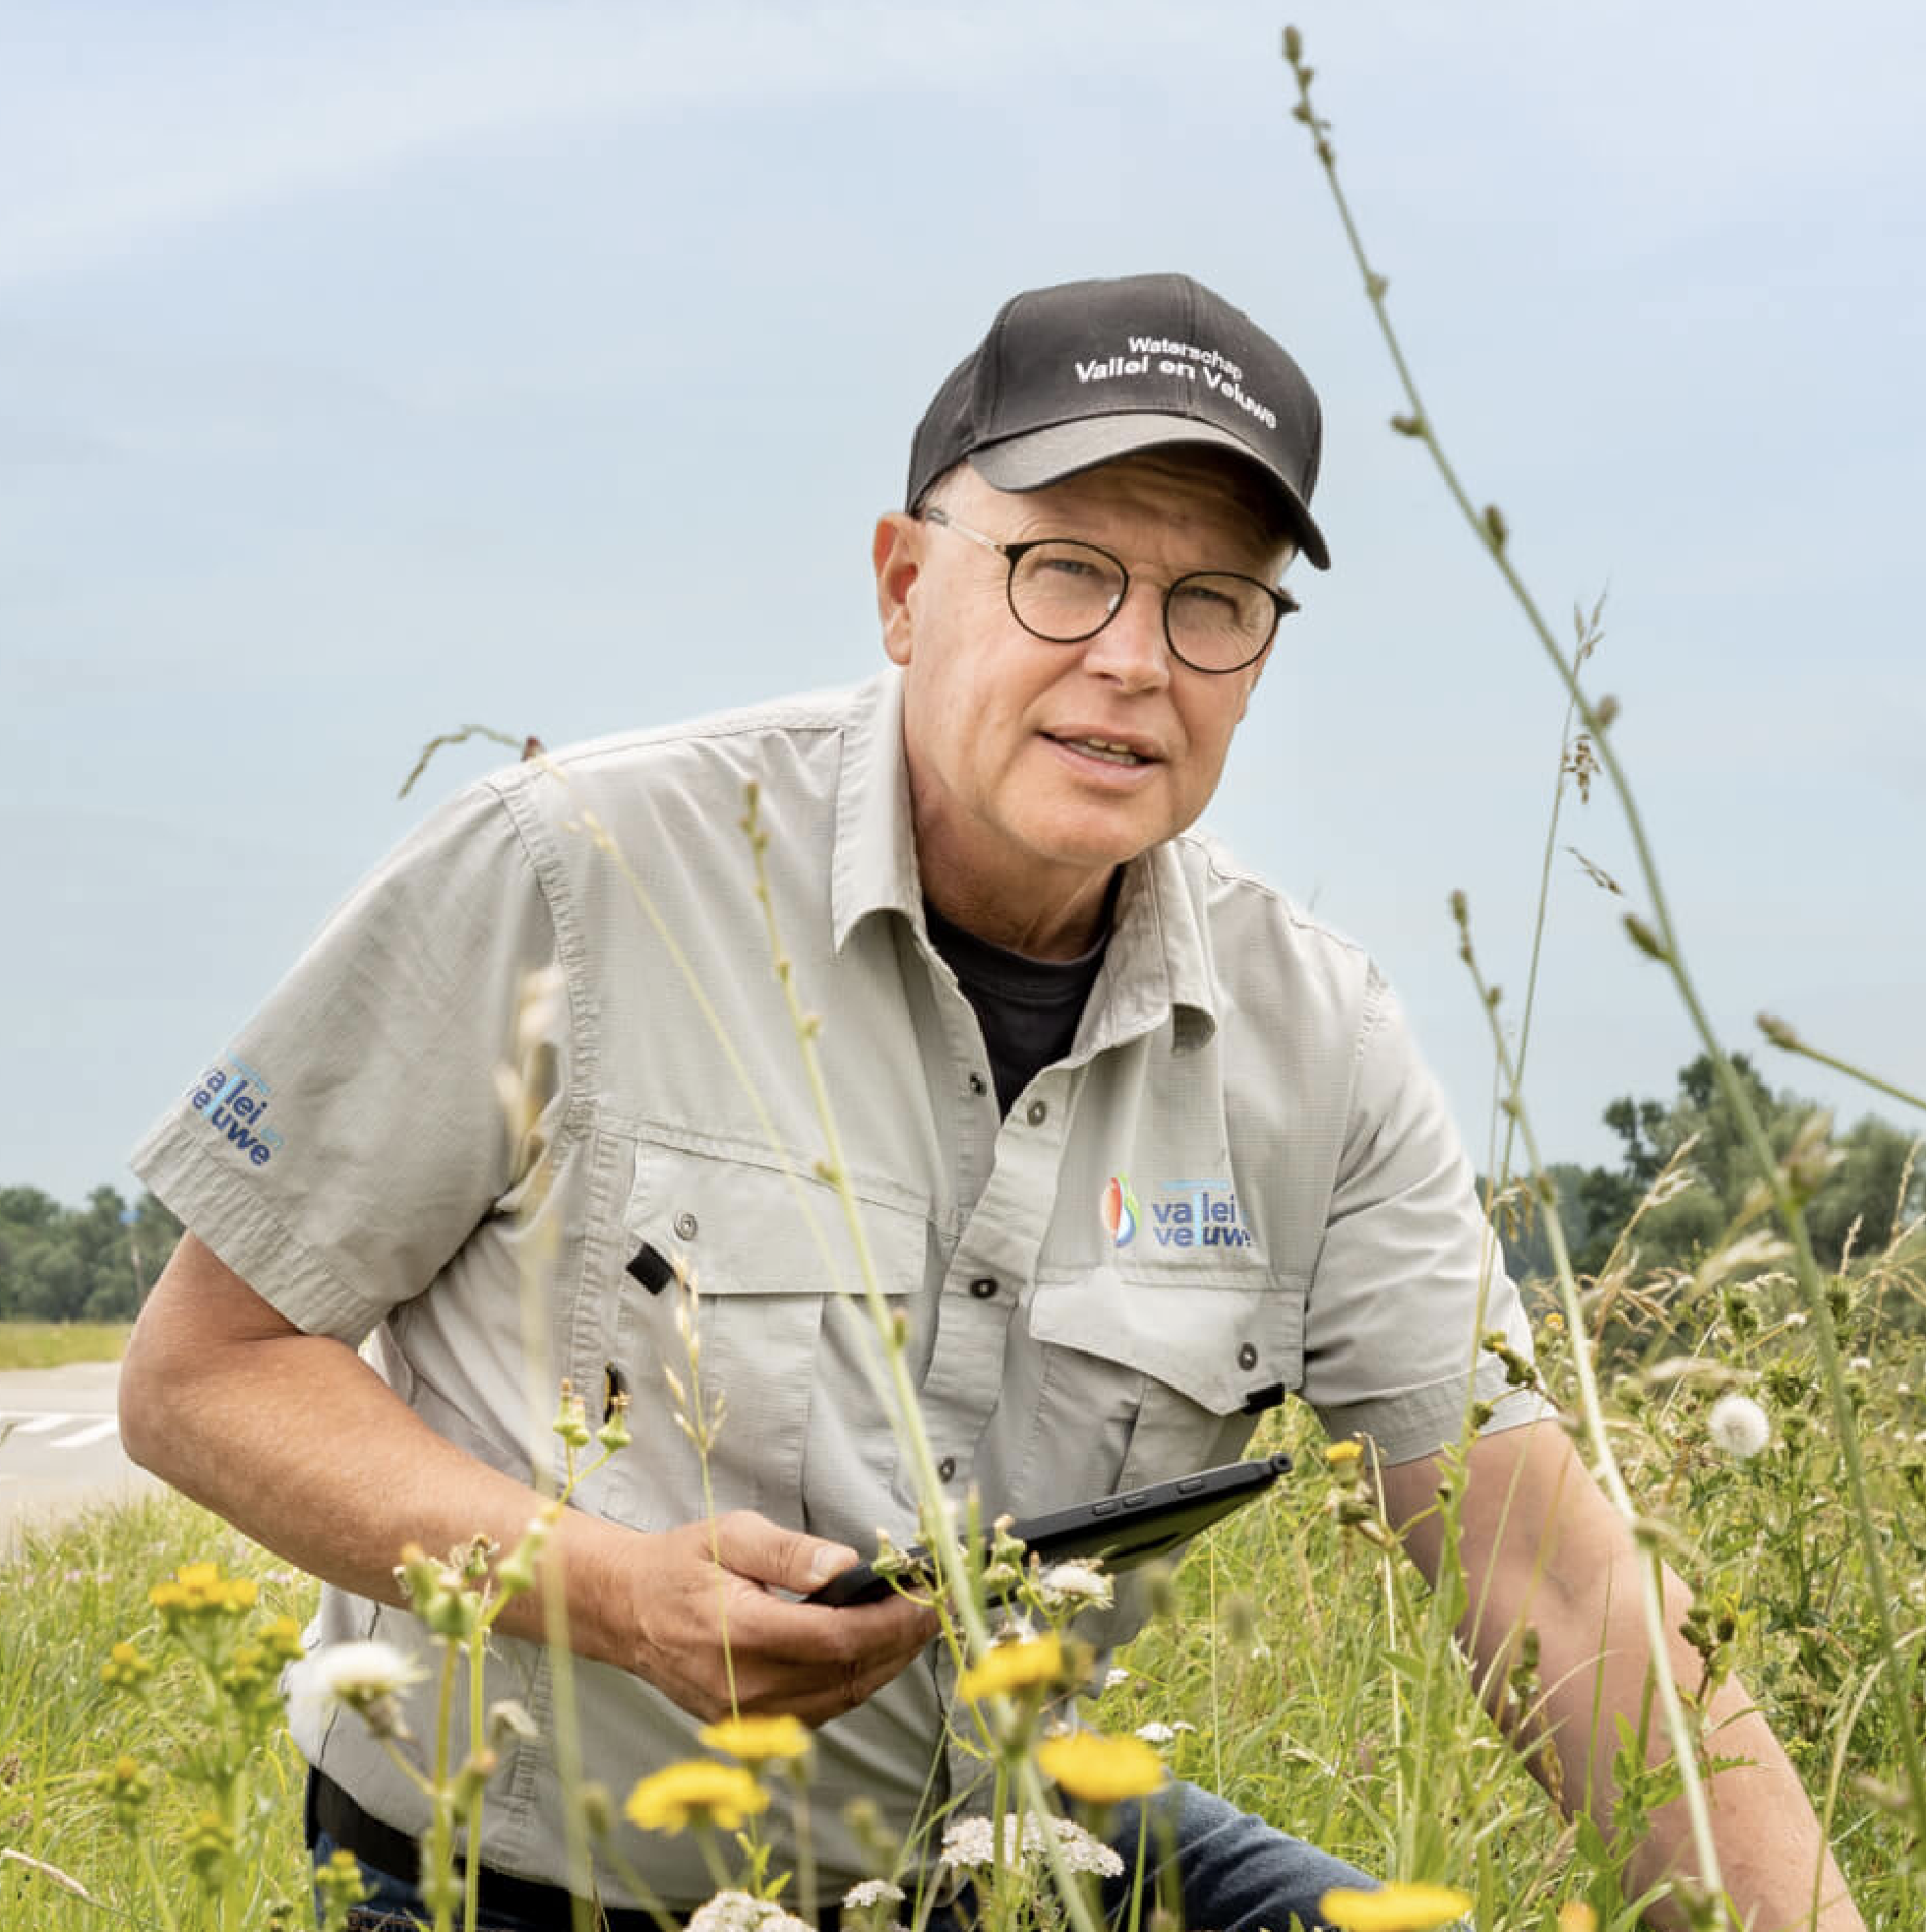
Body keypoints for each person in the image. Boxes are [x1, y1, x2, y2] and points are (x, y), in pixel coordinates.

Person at [119, 272, 1862, 1932]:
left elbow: (1548, 1584)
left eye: (1212, 604)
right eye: (1062, 570)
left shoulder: (1312, 1040)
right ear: (900, 585)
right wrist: (612, 1595)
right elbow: (204, 1377)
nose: (1133, 661)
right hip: (510, 1868)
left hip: (987, 1855)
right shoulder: (573, 874)